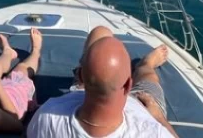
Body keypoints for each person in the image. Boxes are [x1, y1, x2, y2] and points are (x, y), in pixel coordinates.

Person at [27, 25, 179, 138]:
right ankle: (146, 65)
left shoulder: (47, 116)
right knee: (147, 75)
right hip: (141, 102)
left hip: (82, 89)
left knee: (100, 33)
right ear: (128, 85)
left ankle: (95, 70)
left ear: (80, 76)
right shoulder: (152, 131)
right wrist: (158, 116)